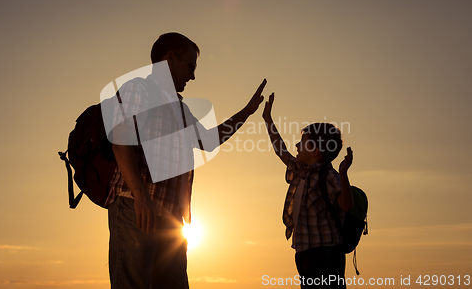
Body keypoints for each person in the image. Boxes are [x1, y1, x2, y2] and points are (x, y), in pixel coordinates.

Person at [106, 32, 266, 289]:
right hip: (136, 207)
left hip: (170, 218)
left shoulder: (179, 107)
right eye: (190, 66)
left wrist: (246, 112)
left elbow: (209, 140)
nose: (192, 76)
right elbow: (121, 142)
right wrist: (140, 196)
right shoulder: (138, 89)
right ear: (170, 59)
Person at [262, 92, 354, 288]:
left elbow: (346, 205)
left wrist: (343, 173)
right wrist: (268, 119)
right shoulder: (301, 171)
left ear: (315, 151)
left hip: (327, 253)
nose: (297, 145)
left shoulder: (328, 175)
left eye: (302, 142)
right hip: (304, 253)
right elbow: (281, 151)